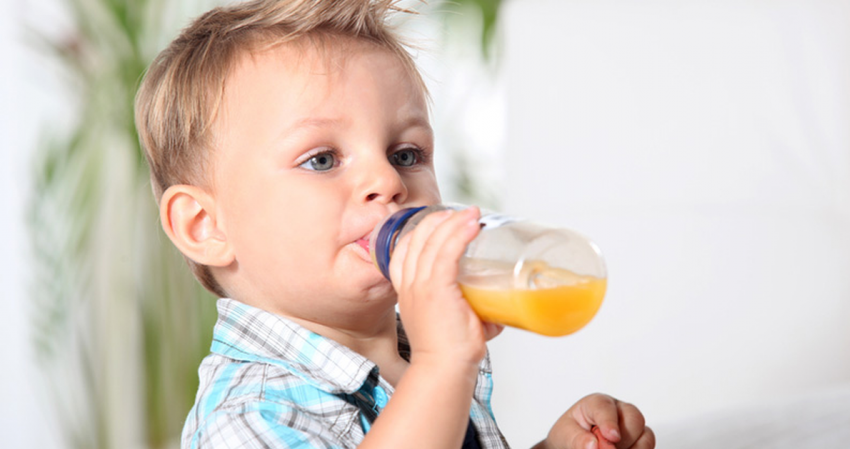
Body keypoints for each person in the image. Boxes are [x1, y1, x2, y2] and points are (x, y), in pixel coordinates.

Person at [134, 1, 656, 448]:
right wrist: (443, 363)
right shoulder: (249, 417)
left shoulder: (421, 358)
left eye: (406, 153)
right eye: (321, 159)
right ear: (205, 225)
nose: (387, 179)